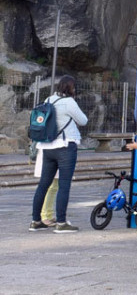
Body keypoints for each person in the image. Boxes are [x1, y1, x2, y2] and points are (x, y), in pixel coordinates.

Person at [30, 75, 88, 233]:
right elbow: (83, 120)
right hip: (65, 146)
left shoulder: (49, 99)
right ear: (71, 88)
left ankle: (36, 221)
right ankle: (61, 222)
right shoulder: (69, 102)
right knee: (64, 185)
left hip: (47, 147)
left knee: (43, 184)